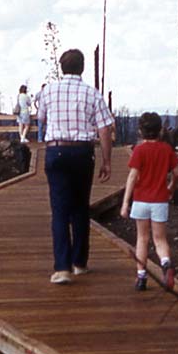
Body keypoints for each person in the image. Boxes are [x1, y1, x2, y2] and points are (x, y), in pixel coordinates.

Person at [35, 49, 114, 284]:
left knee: (59, 209)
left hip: (56, 150)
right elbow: (105, 128)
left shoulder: (47, 91)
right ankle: (80, 263)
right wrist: (107, 160)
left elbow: (41, 118)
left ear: (62, 67)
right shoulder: (92, 93)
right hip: (82, 151)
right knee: (80, 207)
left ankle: (62, 268)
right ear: (82, 67)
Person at [120, 112, 178, 290]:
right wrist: (172, 186)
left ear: (140, 131)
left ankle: (141, 277)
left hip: (141, 200)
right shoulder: (167, 150)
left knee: (142, 239)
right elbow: (177, 173)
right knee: (160, 239)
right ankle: (166, 263)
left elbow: (133, 176)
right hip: (160, 200)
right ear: (160, 130)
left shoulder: (139, 150)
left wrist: (126, 202)